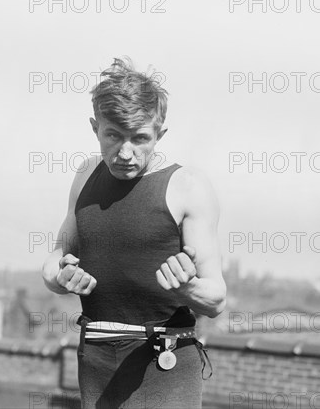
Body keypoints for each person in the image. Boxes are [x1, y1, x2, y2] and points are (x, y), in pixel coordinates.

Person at [42, 57, 227, 408]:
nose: (125, 152)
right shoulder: (84, 175)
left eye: (140, 138)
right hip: (95, 361)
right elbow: (54, 262)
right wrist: (60, 276)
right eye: (113, 135)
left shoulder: (187, 186)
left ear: (160, 134)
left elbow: (216, 299)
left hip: (164, 364)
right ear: (95, 127)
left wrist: (186, 287)